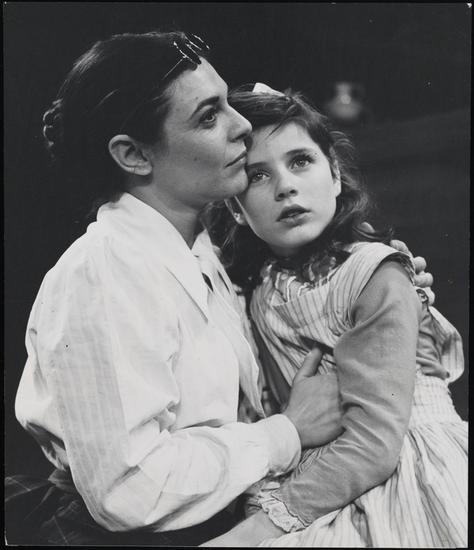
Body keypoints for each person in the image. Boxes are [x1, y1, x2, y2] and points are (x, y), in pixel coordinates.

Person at [5, 31, 432, 546]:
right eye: (209, 116)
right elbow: (128, 490)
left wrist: (380, 283)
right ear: (133, 155)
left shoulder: (203, 251)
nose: (242, 125)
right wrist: (285, 432)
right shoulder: (104, 272)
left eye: (229, 103)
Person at [202, 85, 467, 547]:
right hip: (322, 478)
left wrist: (256, 530)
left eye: (301, 161)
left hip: (404, 471)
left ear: (337, 175)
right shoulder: (259, 289)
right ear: (235, 209)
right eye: (258, 175)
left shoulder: (375, 272)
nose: (285, 185)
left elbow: (376, 441)